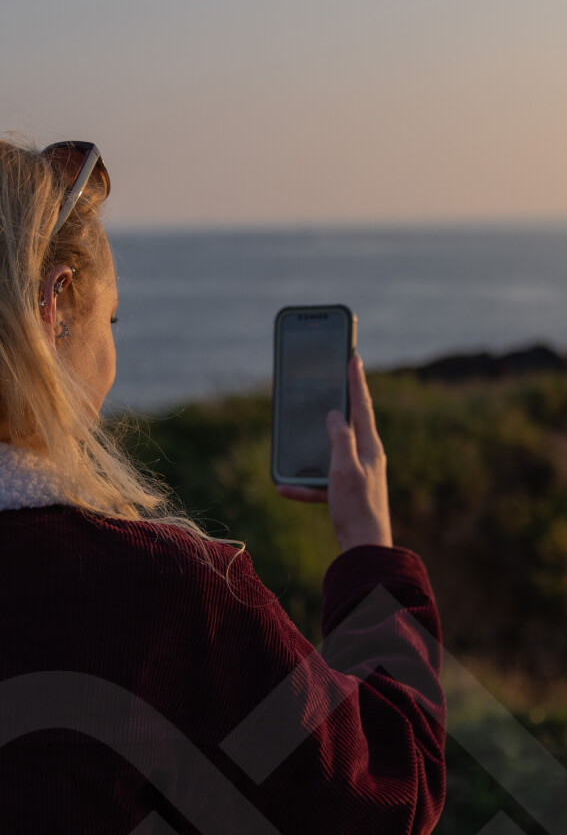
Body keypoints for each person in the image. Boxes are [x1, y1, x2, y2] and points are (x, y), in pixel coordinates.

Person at [0, 139, 446, 835]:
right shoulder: (169, 595)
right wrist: (371, 555)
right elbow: (389, 792)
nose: (110, 354)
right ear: (54, 308)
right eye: (109, 320)